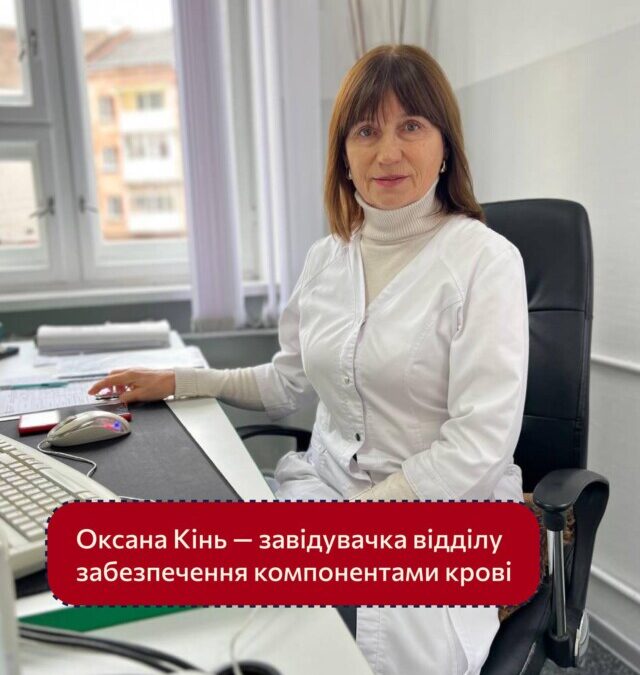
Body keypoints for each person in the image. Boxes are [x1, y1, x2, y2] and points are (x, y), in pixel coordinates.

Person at [89, 45, 528, 675]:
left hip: (442, 511)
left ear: (445, 147)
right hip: (328, 491)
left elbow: (480, 444)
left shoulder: (486, 262)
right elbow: (284, 381)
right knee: (237, 622)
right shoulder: (327, 258)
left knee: (359, 646)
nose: (387, 152)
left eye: (411, 126)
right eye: (366, 130)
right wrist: (179, 379)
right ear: (344, 155)